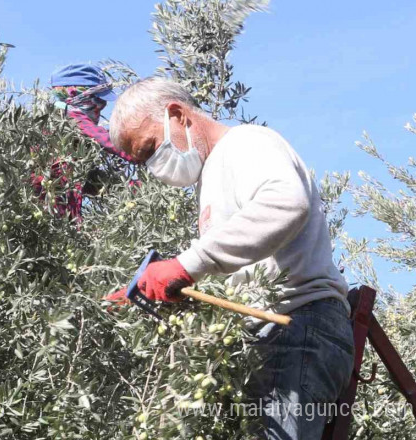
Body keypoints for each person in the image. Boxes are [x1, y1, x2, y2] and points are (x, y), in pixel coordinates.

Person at [104, 77, 354, 439]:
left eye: (149, 149)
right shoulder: (212, 178)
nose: (152, 165)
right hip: (274, 335)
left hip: (296, 326)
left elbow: (286, 202)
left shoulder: (246, 142)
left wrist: (187, 265)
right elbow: (239, 266)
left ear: (176, 115)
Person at [31, 63, 141, 220]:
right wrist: (146, 153)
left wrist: (134, 189)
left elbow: (88, 179)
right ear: (77, 94)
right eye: (98, 99)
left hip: (63, 216)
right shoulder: (68, 118)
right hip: (46, 215)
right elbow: (109, 142)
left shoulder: (68, 133)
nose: (102, 106)